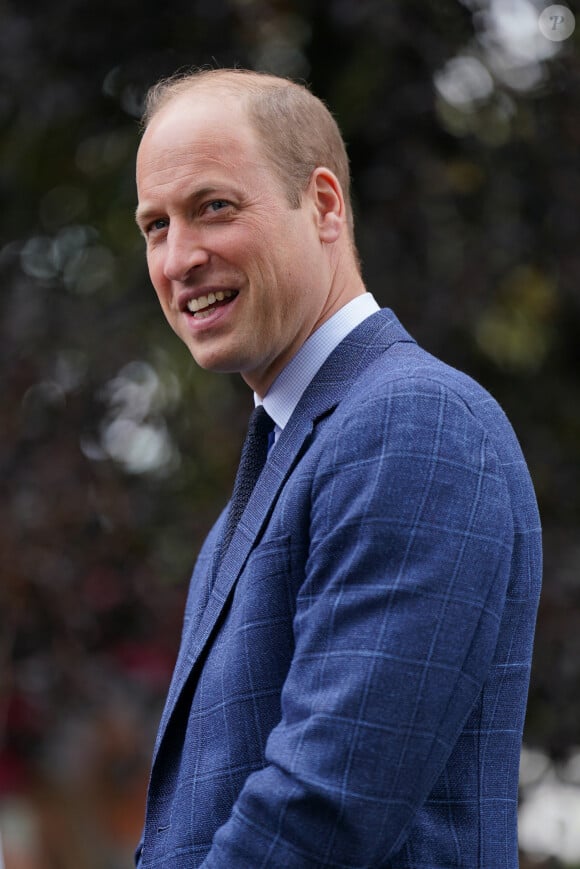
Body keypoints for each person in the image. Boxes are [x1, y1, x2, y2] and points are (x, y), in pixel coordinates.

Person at [134, 68, 542, 868]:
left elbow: (321, 808)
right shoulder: (301, 445)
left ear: (323, 204)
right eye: (155, 225)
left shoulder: (413, 424)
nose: (179, 257)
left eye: (213, 207)